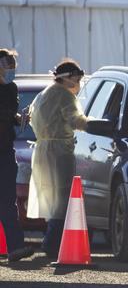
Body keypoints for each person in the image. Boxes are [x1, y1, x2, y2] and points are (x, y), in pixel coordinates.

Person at [28, 59, 88, 257]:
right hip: (59, 151)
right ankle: (53, 243)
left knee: (52, 197)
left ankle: (52, 240)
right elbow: (76, 120)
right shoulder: (64, 96)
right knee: (62, 198)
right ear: (68, 78)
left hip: (43, 149)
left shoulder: (43, 94)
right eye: (77, 79)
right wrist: (95, 125)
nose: (78, 83)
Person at [0, 48, 34, 262]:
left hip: (4, 150)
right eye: (7, 64)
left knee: (7, 201)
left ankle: (15, 247)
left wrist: (19, 118)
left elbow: (8, 112)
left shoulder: (11, 88)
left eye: (13, 65)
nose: (11, 68)